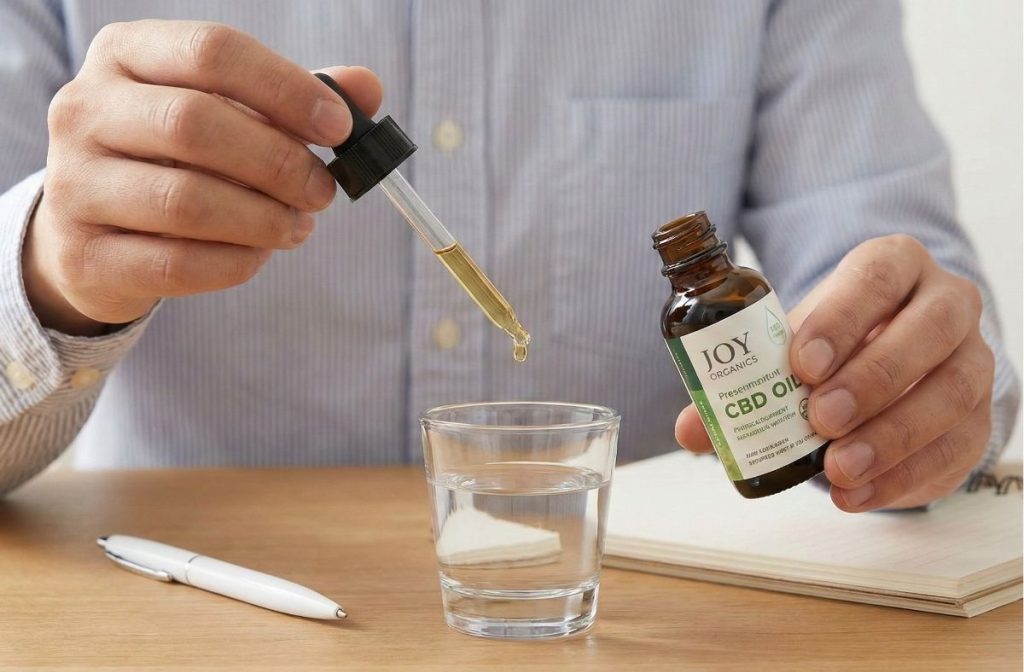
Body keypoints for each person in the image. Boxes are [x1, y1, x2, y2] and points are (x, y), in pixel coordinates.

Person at [0, 1, 1018, 512]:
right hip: (198, 619)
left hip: (642, 629)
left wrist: (918, 379)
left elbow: (893, 269)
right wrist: (52, 274)